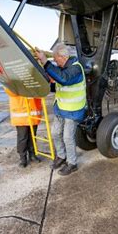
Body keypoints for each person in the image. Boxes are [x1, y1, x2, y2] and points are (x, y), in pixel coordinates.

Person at [36, 43, 87, 176]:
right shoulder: (63, 68)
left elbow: (64, 79)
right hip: (60, 108)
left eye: (56, 59)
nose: (55, 62)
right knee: (55, 133)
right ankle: (61, 156)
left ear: (63, 57)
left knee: (68, 137)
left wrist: (46, 62)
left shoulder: (75, 69)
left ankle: (72, 163)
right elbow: (58, 86)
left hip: (72, 110)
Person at [4, 87, 43, 168]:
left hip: (33, 113)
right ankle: (23, 158)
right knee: (22, 138)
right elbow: (9, 90)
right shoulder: (12, 79)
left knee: (32, 136)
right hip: (21, 113)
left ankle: (32, 155)